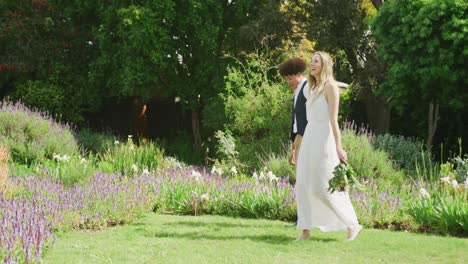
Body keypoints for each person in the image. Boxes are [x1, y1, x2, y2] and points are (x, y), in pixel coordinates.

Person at [295, 51, 362, 241]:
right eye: (311, 61)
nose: (312, 64)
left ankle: (352, 224)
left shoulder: (331, 87)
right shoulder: (310, 87)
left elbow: (333, 120)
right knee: (302, 183)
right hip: (309, 136)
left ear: (324, 64)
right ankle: (305, 230)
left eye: (316, 61)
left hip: (324, 139)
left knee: (324, 186)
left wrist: (339, 148)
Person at [278, 58, 308, 174]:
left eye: (290, 78)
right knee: (299, 175)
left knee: (304, 176)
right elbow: (296, 121)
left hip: (307, 138)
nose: (288, 82)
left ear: (299, 74)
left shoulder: (307, 88)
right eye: (287, 79)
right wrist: (293, 146)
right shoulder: (297, 92)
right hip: (298, 138)